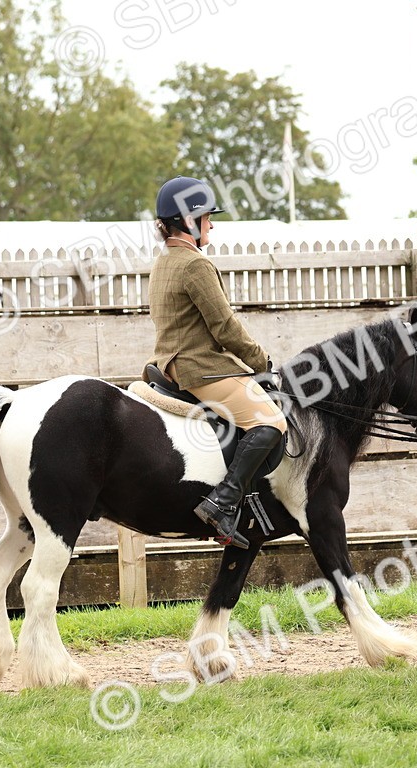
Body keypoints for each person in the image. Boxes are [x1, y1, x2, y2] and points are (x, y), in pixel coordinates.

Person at [147, 176, 288, 550]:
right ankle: (222, 503)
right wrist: (261, 361)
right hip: (200, 367)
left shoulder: (164, 262)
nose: (212, 224)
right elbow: (225, 327)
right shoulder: (195, 265)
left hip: (170, 363)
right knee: (272, 420)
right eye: (208, 217)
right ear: (190, 222)